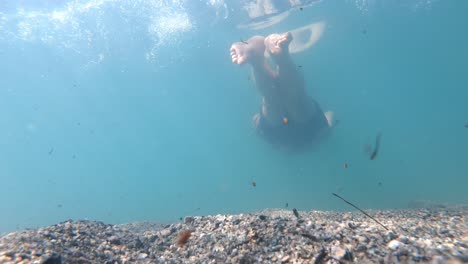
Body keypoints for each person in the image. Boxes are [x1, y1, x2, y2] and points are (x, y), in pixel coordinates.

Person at [230, 32, 333, 150]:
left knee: (291, 98)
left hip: (306, 132)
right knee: (274, 100)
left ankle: (276, 59)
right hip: (282, 134)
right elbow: (255, 120)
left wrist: (330, 122)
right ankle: (257, 61)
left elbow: (330, 115)